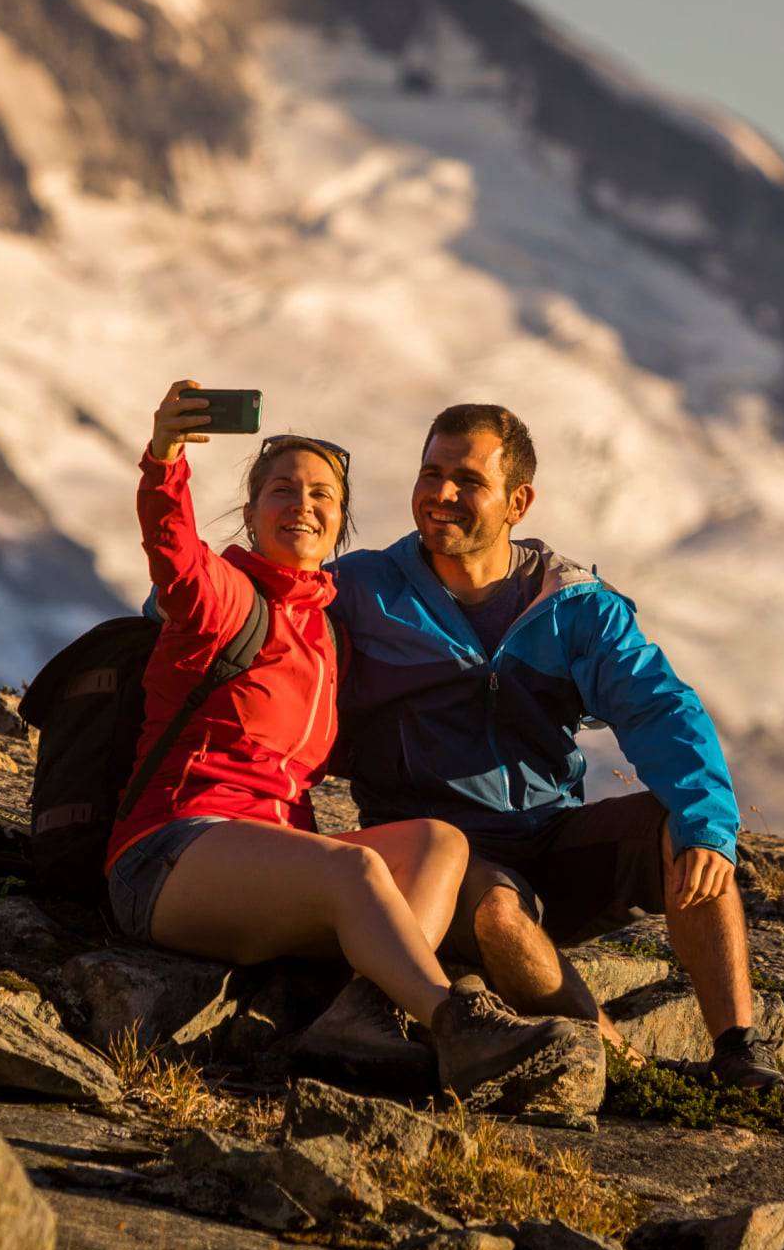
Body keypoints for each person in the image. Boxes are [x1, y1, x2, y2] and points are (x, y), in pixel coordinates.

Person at [104, 379, 595, 1104]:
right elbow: (174, 555)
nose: (301, 505)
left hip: (274, 871)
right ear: (250, 513)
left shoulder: (331, 635)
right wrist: (164, 458)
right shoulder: (225, 599)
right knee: (354, 875)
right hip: (173, 855)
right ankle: (455, 1024)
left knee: (440, 844)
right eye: (282, 490)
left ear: (341, 525)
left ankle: (366, 1019)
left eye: (321, 496)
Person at [329, 402, 784, 1094]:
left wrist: (707, 827)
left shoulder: (571, 604)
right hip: (438, 858)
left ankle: (739, 1050)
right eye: (431, 472)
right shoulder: (363, 589)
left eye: (466, 480)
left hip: (551, 840)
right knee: (498, 910)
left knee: (684, 827)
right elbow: (254, 618)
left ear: (519, 501)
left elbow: (660, 707)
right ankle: (622, 1070)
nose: (441, 494)